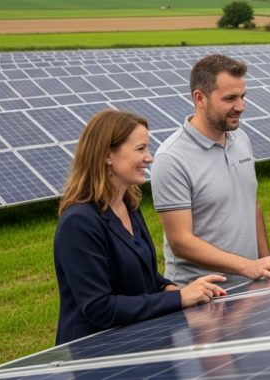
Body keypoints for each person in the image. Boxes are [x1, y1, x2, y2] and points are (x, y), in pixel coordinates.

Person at [53, 109, 227, 345]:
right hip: (99, 353)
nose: (150, 157)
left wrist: (170, 288)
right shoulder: (79, 222)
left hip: (140, 339)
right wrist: (178, 299)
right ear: (107, 155)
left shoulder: (128, 205)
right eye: (140, 149)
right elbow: (99, 307)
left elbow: (143, 278)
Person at [152, 54, 270, 286]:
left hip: (249, 286)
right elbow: (180, 241)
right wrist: (248, 266)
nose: (241, 107)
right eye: (230, 98)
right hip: (202, 295)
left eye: (242, 96)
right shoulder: (172, 158)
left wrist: (266, 261)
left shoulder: (241, 139)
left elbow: (252, 203)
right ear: (200, 98)